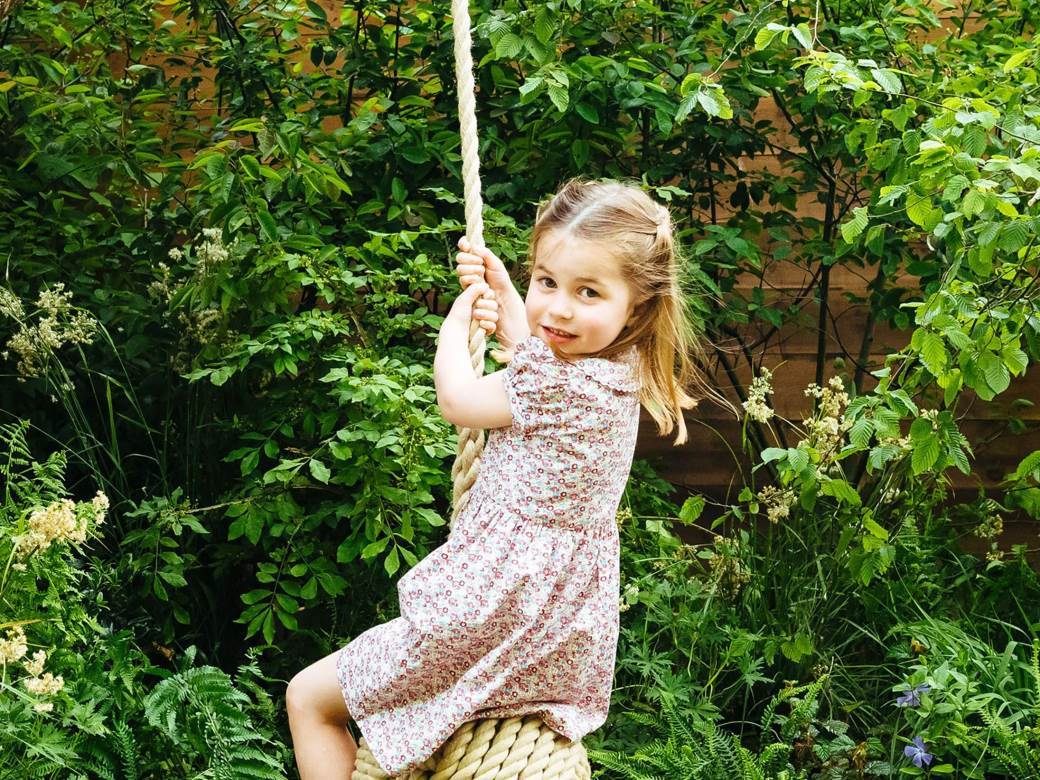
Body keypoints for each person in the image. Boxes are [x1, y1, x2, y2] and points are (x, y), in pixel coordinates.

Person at [285, 177, 727, 778]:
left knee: (308, 700)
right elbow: (537, 354)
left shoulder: (554, 384)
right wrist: (506, 295)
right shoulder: (616, 369)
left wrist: (457, 321)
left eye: (588, 291)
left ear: (638, 306)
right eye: (546, 281)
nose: (559, 308)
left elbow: (459, 400)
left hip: (485, 616)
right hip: (553, 631)